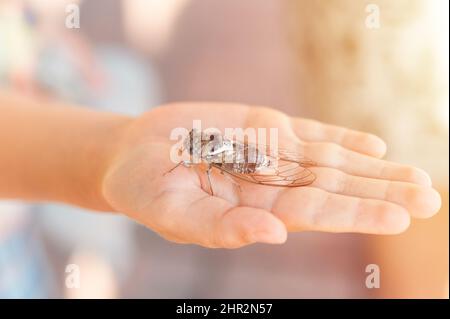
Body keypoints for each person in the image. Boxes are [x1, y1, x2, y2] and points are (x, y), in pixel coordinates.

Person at [0, 91, 442, 249]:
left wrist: (114, 146)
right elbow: (205, 165)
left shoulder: (205, 152)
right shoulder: (194, 153)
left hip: (241, 158)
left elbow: (221, 167)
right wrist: (115, 149)